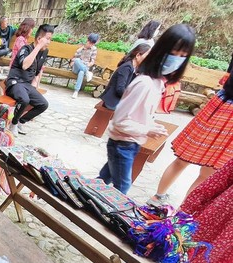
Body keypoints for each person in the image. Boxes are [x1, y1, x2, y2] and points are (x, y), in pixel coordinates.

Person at [98, 24, 196, 194]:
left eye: (182, 56)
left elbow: (140, 115)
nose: (176, 59)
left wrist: (150, 125)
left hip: (131, 141)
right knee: (122, 187)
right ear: (159, 52)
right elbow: (120, 121)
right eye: (172, 53)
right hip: (122, 142)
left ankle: (76, 194)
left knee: (104, 179)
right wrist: (147, 129)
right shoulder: (145, 83)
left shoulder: (157, 83)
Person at [148, 55, 233, 206]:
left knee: (182, 160)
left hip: (218, 105)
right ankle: (182, 213)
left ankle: (158, 197)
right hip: (227, 117)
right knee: (207, 172)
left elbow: (224, 80)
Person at [149, 158, 233, 263]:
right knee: (190, 253)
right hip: (219, 218)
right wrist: (190, 205)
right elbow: (219, 179)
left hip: (224, 222)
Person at [6, 24, 54, 135]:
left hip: (27, 85)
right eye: (47, 39)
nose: (49, 42)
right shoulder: (26, 49)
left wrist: (35, 86)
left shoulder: (44, 52)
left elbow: (37, 72)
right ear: (39, 39)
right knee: (24, 100)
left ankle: (20, 122)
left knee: (43, 104)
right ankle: (12, 124)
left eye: (50, 39)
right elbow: (25, 66)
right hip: (15, 82)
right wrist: (37, 47)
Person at [99, 43, 151, 110]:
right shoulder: (127, 67)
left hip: (118, 100)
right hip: (112, 101)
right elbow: (120, 89)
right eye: (147, 56)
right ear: (138, 55)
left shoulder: (133, 68)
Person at [70, 33, 99, 99]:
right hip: (76, 67)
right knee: (77, 60)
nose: (91, 44)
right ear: (87, 40)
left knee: (82, 72)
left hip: (84, 67)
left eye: (93, 43)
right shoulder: (81, 47)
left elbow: (92, 61)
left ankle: (76, 91)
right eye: (90, 42)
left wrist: (88, 64)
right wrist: (84, 48)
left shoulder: (94, 49)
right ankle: (87, 73)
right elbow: (74, 59)